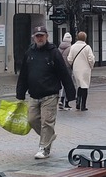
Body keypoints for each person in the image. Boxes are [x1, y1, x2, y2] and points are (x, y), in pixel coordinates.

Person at [17, 25, 77, 159]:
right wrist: (20, 93)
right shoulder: (29, 53)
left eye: (42, 36)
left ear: (46, 36)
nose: (39, 38)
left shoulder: (53, 52)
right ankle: (49, 136)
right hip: (33, 94)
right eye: (37, 36)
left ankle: (44, 148)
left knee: (47, 122)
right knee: (32, 120)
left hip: (50, 95)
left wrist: (71, 94)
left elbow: (64, 73)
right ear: (33, 38)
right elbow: (24, 74)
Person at [66, 31, 96, 111]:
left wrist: (73, 64)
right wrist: (91, 65)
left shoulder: (73, 47)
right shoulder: (87, 47)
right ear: (85, 38)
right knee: (85, 86)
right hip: (85, 69)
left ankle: (78, 102)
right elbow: (91, 58)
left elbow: (69, 58)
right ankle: (83, 105)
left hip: (76, 69)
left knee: (79, 85)